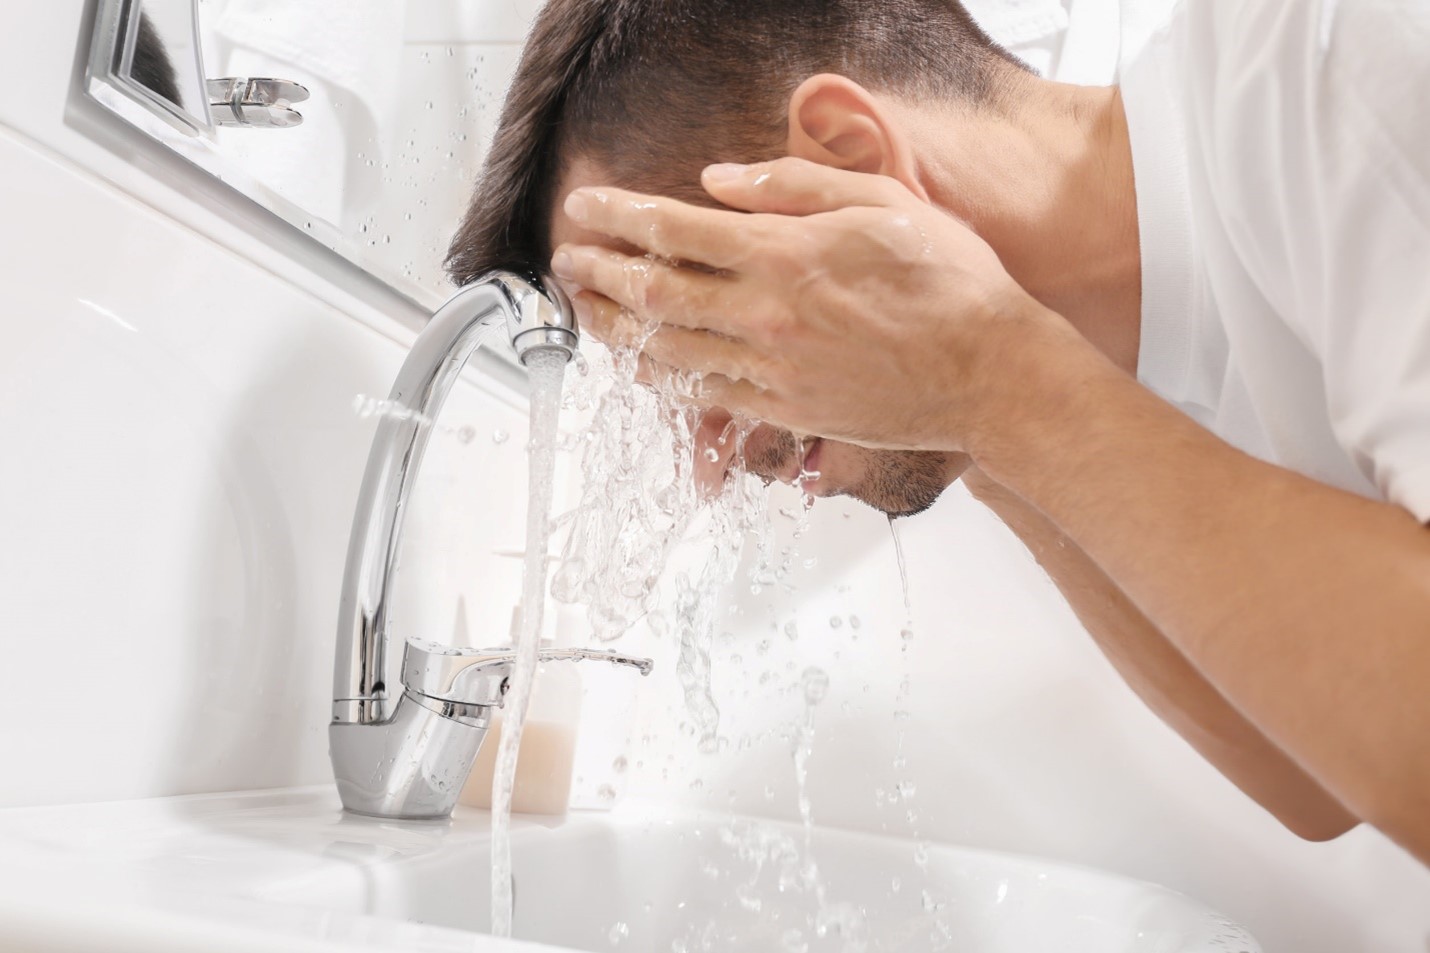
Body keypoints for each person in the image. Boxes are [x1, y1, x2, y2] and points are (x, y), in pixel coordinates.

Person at [445, 0, 1430, 865]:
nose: (709, 459)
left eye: (699, 327)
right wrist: (962, 398)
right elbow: (1315, 780)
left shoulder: (1331, 59)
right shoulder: (1138, 346)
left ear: (846, 159)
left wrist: (987, 376)